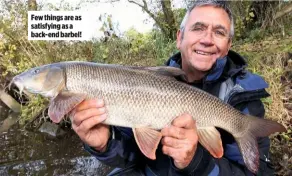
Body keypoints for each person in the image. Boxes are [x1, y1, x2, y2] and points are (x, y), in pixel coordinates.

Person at [70, 1, 274, 175]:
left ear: (228, 45)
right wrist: (105, 143)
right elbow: (132, 158)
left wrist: (198, 161)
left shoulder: (242, 97)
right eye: (198, 28)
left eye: (219, 32)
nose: (207, 39)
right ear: (180, 38)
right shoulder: (145, 84)